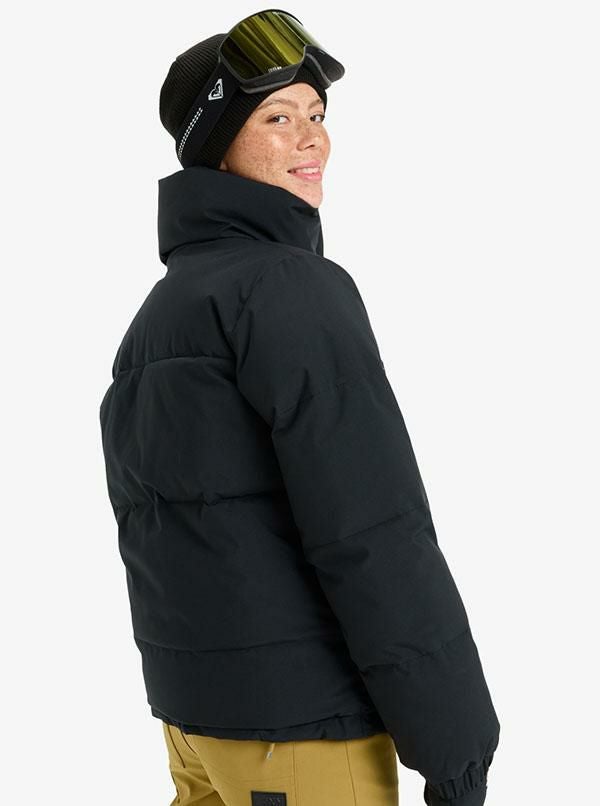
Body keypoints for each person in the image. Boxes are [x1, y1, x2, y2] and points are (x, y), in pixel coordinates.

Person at [98, 10, 501, 806]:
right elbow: (371, 529)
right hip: (303, 733)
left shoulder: (162, 311)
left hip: (198, 728)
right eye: (277, 118)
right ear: (217, 144)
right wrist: (456, 746)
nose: (311, 139)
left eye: (316, 115)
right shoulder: (289, 287)